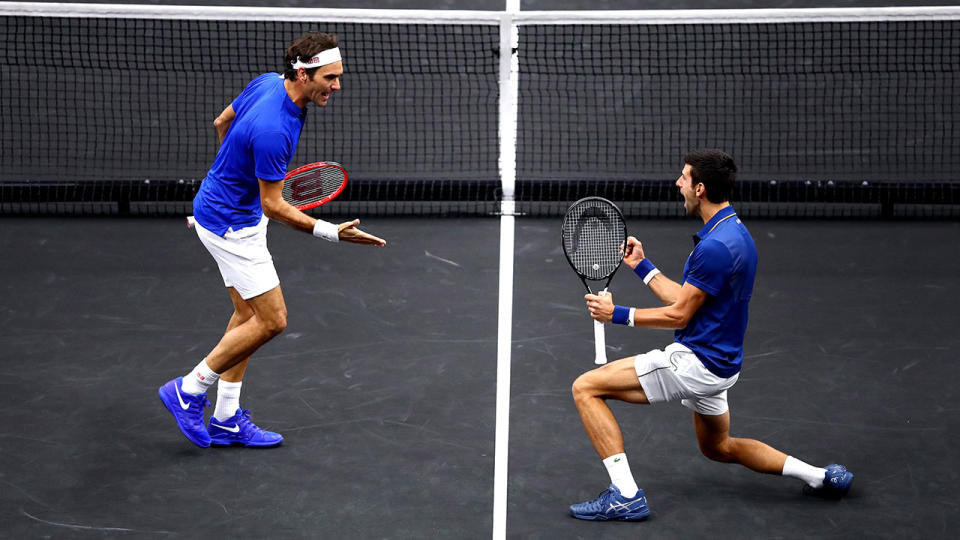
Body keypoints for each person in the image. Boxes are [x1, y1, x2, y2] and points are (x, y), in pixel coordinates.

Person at [569, 149, 853, 521]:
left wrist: (616, 314)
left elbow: (679, 313)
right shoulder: (734, 233)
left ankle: (624, 495)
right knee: (718, 447)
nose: (678, 184)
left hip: (695, 363)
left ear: (700, 188)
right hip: (723, 365)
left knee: (586, 388)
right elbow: (690, 300)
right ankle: (820, 477)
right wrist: (642, 266)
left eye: (684, 178)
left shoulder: (714, 248)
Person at [158, 32, 386, 449]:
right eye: (330, 78)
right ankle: (189, 390)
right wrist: (332, 232)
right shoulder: (275, 130)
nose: (337, 86)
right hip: (232, 227)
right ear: (302, 74)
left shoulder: (266, 81)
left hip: (220, 205)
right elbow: (274, 206)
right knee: (272, 320)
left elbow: (221, 123)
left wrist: (232, 177)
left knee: (246, 317)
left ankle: (226, 418)